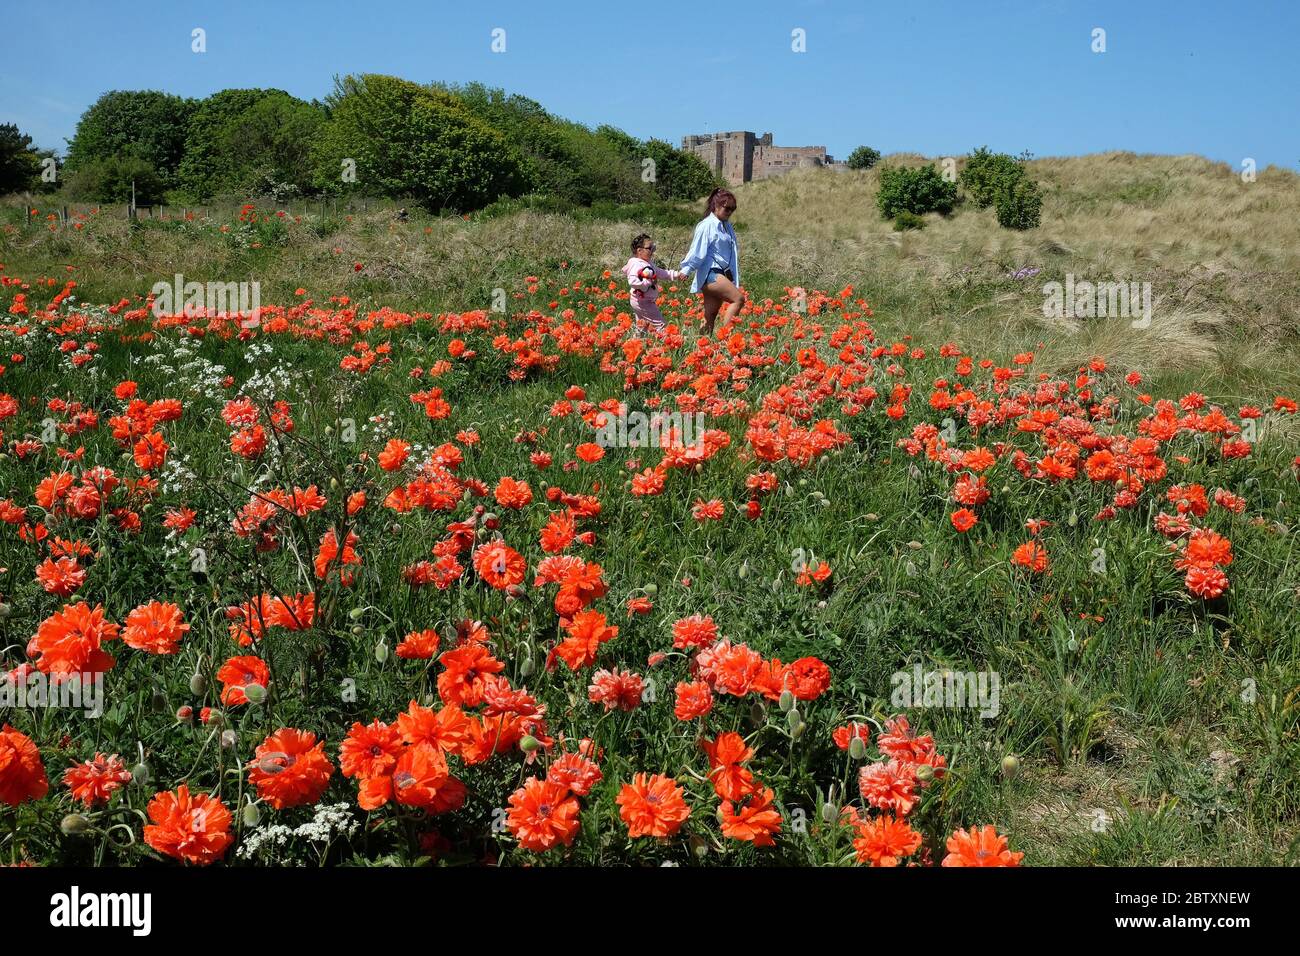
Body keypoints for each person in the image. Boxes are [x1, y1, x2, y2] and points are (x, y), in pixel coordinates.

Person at [680, 187, 744, 336]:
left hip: (720, 273)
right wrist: (687, 269)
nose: (729, 212)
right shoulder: (706, 225)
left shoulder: (726, 226)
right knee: (738, 299)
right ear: (716, 205)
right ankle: (726, 339)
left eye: (732, 209)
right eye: (726, 208)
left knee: (710, 315)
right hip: (711, 272)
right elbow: (697, 250)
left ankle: (701, 347)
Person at [622, 233, 686, 337]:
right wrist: (649, 282)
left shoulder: (647, 263)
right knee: (660, 325)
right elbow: (633, 282)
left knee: (642, 327)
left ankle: (635, 345)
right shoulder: (636, 264)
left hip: (642, 300)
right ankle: (668, 344)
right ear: (639, 250)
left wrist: (676, 274)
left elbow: (660, 272)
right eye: (649, 248)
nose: (652, 251)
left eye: (653, 247)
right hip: (642, 302)